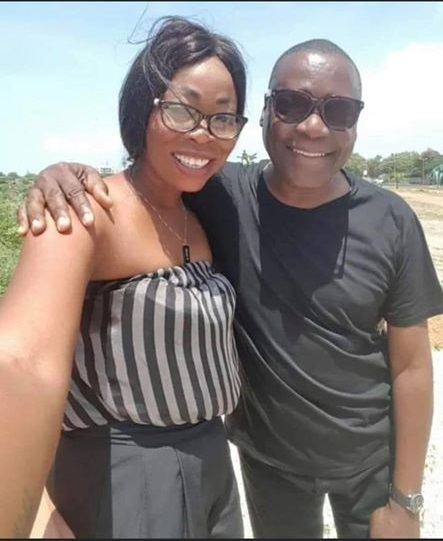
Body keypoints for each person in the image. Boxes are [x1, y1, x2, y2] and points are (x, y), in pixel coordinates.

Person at [18, 37, 443, 539]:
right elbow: (148, 181)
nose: (313, 126)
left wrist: (405, 501)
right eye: (292, 104)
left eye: (339, 111)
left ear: (356, 121)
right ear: (264, 112)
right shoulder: (223, 195)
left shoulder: (391, 220)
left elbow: (413, 364)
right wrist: (61, 176)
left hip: (367, 461)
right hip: (267, 465)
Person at [0, 15, 250, 538]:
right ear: (143, 108)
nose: (202, 133)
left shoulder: (204, 211)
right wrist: (27, 514)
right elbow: (22, 363)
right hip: (128, 475)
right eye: (181, 109)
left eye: (223, 118)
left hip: (212, 463)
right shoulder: (88, 210)